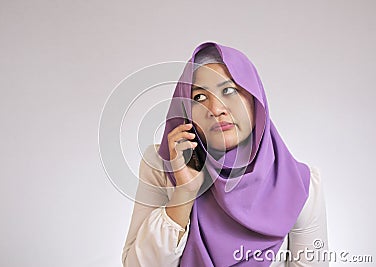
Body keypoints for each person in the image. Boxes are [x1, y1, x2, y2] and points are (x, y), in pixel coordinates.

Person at [122, 41, 329, 266]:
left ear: (254, 99)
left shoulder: (300, 183)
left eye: (229, 90)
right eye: (199, 97)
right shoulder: (163, 166)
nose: (216, 109)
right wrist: (184, 194)